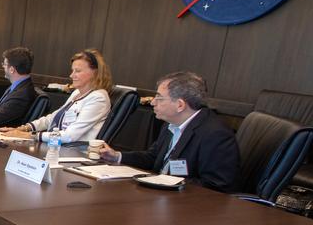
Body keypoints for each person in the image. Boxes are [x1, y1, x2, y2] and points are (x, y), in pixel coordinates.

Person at [99, 72, 240, 192]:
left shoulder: (215, 134)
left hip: (186, 205)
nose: (153, 102)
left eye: (159, 98)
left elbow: (216, 186)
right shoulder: (171, 123)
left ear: (180, 105)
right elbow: (153, 158)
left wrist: (169, 182)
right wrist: (117, 156)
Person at [3, 49, 112, 143]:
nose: (71, 75)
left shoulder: (99, 98)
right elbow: (53, 118)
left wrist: (29, 135)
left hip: (73, 152)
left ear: (95, 73)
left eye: (78, 71)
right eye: (72, 70)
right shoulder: (77, 93)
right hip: (56, 146)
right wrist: (23, 128)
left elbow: (70, 135)